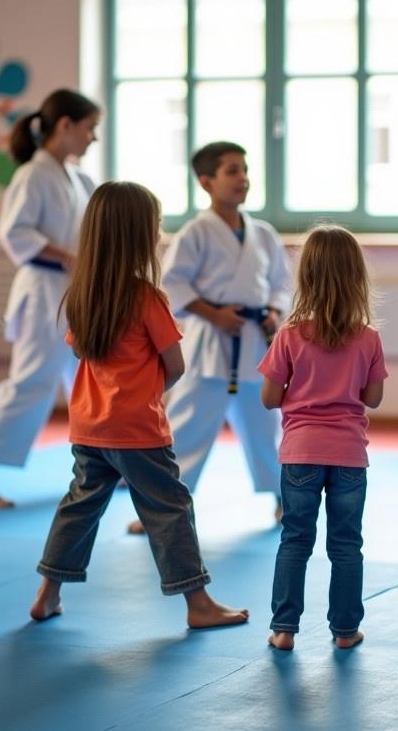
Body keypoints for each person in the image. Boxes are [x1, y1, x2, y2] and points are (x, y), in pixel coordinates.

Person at [29, 181, 249, 628]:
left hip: (90, 426)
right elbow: (176, 364)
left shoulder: (83, 296)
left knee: (80, 505)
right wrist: (146, 391)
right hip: (137, 430)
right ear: (139, 235)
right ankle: (198, 604)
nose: (159, 233)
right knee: (170, 509)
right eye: (157, 225)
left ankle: (48, 592)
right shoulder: (148, 298)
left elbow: (80, 353)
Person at [127, 141, 291, 534]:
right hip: (207, 345)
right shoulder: (195, 232)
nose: (243, 178)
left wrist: (272, 310)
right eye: (232, 171)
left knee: (267, 427)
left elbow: (281, 283)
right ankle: (160, 509)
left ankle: (286, 500)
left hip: (253, 343)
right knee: (185, 429)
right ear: (206, 182)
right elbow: (172, 283)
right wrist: (213, 313)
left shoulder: (263, 233)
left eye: (244, 169)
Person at [0, 89, 99, 509]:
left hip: (74, 293)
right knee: (30, 382)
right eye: (90, 128)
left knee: (91, 382)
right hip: (42, 293)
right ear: (65, 126)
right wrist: (68, 256)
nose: (93, 138)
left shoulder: (78, 178)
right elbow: (15, 233)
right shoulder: (33, 174)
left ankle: (101, 465)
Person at [259, 225, 387, 650]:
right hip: (350, 456)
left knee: (295, 540)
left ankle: (283, 629)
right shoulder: (368, 338)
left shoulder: (289, 336)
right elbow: (373, 398)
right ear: (356, 278)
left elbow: (268, 398)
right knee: (347, 545)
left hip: (300, 454)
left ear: (306, 277)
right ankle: (346, 630)